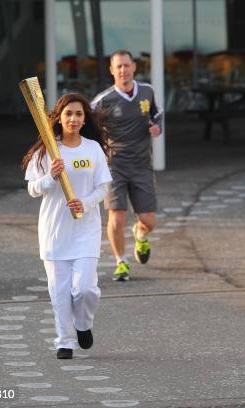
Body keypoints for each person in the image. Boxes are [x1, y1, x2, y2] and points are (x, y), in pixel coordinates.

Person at [22, 93, 112, 359]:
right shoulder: (46, 152)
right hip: (54, 230)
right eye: (69, 114)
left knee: (85, 288)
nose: (73, 118)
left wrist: (84, 203)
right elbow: (33, 189)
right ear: (59, 118)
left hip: (85, 229)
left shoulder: (93, 149)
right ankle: (65, 341)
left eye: (79, 114)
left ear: (85, 119)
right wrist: (51, 177)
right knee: (59, 291)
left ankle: (83, 324)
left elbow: (103, 187)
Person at [91, 50, 163, 281]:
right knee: (117, 216)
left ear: (134, 67)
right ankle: (120, 262)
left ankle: (140, 235)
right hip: (114, 166)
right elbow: (87, 124)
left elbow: (158, 113)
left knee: (149, 221)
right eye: (118, 67)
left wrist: (156, 127)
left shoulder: (147, 91)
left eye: (126, 65)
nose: (123, 70)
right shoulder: (103, 100)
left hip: (141, 164)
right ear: (112, 70)